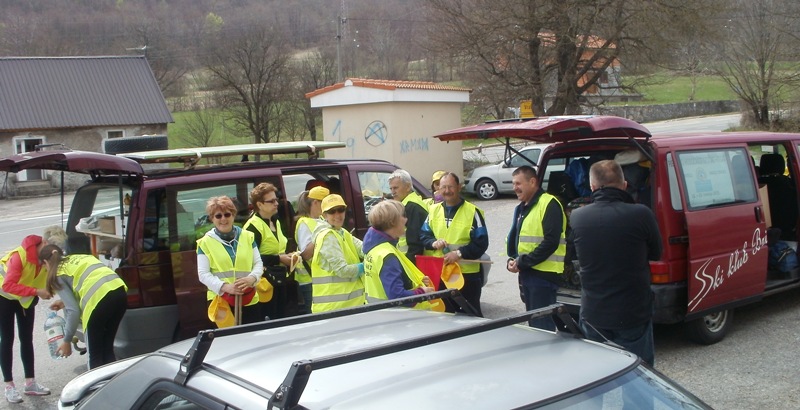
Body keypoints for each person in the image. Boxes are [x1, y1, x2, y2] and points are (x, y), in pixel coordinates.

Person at [569, 160, 662, 366]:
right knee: (639, 377)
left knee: (598, 377)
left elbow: (576, 252)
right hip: (632, 311)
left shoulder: (577, 217)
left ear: (592, 187)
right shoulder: (641, 214)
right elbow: (656, 253)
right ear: (625, 184)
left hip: (594, 312)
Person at [0, 226, 66, 402]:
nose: (54, 254)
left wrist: (51, 292)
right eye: (52, 249)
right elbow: (7, 285)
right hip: (4, 297)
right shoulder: (19, 257)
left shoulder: (48, 257)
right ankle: (9, 386)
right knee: (7, 339)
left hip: (25, 299)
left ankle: (30, 383)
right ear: (44, 242)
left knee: (26, 338)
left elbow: (55, 278)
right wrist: (37, 291)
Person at [40, 244, 128, 370]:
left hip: (98, 301)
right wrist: (63, 301)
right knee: (107, 349)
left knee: (95, 357)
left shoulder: (58, 273)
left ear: (45, 262)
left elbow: (73, 311)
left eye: (44, 268)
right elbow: (89, 282)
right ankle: (113, 386)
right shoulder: (79, 257)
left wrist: (67, 340)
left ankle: (97, 388)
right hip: (119, 292)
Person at [506, 166, 567, 331]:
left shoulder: (549, 203)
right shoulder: (522, 207)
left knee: (542, 326)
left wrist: (522, 262)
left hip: (544, 277)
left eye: (518, 183)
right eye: (513, 184)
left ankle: (545, 356)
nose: (515, 188)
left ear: (532, 182)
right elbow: (518, 240)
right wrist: (512, 260)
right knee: (535, 324)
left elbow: (550, 242)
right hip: (528, 273)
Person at [420, 172, 488, 316]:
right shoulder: (433, 210)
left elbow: (482, 243)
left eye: (450, 187)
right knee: (446, 316)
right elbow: (423, 235)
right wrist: (433, 243)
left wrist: (458, 253)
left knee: (471, 316)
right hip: (441, 275)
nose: (446, 191)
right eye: (443, 187)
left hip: (467, 276)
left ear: (459, 187)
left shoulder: (472, 212)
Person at [197, 196, 263, 325]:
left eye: (227, 214)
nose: (223, 219)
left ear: (233, 215)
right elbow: (203, 274)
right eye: (218, 216)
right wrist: (225, 287)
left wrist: (252, 278)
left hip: (248, 298)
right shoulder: (205, 242)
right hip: (221, 301)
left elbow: (258, 263)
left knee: (252, 339)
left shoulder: (248, 236)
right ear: (212, 218)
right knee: (227, 341)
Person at [363, 200, 435, 306]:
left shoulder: (375, 247)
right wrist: (422, 292)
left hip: (382, 315)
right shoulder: (387, 254)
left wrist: (413, 281)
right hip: (398, 317)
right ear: (393, 221)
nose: (406, 220)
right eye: (403, 216)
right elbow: (397, 297)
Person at [243, 183, 296, 320]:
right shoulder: (253, 226)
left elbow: (278, 248)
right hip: (263, 284)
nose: (276, 203)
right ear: (259, 205)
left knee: (281, 319)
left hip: (278, 279)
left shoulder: (275, 221)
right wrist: (279, 258)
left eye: (276, 199)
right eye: (271, 201)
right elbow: (250, 258)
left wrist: (287, 256)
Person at [310, 194, 365, 313]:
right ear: (324, 215)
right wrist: (365, 267)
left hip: (348, 305)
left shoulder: (341, 232)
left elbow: (364, 249)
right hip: (333, 308)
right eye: (332, 211)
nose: (337, 215)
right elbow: (342, 270)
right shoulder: (327, 236)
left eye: (341, 210)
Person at [294, 186, 329, 314]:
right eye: (325, 203)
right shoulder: (304, 223)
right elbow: (306, 254)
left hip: (320, 277)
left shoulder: (321, 220)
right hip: (309, 279)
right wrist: (322, 235)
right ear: (315, 203)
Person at [388, 169, 428, 263]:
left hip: (410, 262)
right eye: (391, 188)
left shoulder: (412, 207)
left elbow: (415, 244)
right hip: (406, 260)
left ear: (408, 187)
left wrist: (408, 267)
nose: (392, 192)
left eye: (396, 188)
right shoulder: (408, 204)